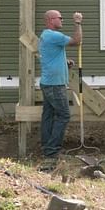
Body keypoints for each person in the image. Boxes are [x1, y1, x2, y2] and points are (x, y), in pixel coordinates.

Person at [38, 9, 82, 171]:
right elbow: (77, 41)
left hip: (48, 82)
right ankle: (52, 150)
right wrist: (77, 22)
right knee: (63, 115)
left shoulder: (46, 36)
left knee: (48, 116)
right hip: (55, 85)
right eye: (59, 18)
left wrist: (65, 62)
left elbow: (52, 56)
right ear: (51, 20)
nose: (62, 20)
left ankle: (47, 147)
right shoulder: (52, 35)